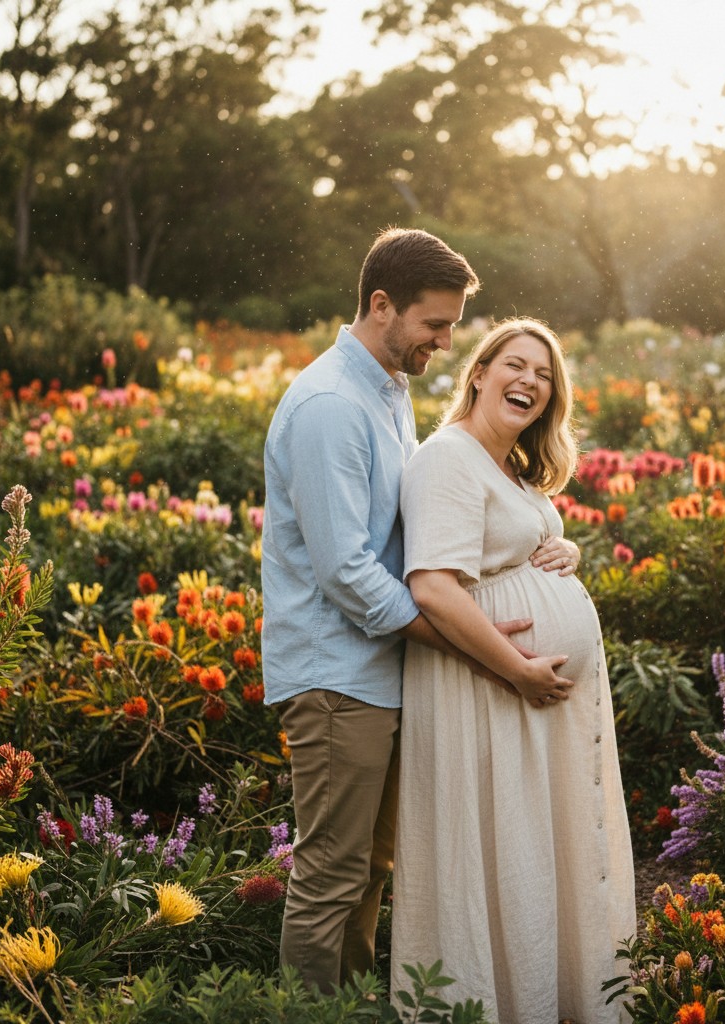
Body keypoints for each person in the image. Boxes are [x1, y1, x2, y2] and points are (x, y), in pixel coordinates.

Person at [261, 230, 574, 993]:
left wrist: (546, 552)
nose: (446, 342)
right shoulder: (333, 405)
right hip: (339, 676)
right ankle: (308, 1014)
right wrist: (465, 641)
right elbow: (348, 571)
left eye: (452, 326)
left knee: (369, 867)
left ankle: (351, 1002)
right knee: (333, 871)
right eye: (435, 325)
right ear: (380, 305)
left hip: (382, 670)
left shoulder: (386, 390)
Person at [390, 318, 637, 1024]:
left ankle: (554, 997)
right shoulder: (448, 458)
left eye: (546, 374)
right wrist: (519, 671)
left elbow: (515, 547)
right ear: (478, 371)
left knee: (535, 854)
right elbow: (433, 587)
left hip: (524, 696)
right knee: (503, 855)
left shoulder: (509, 469)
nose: (531, 380)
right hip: (487, 689)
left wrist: (565, 552)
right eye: (516, 365)